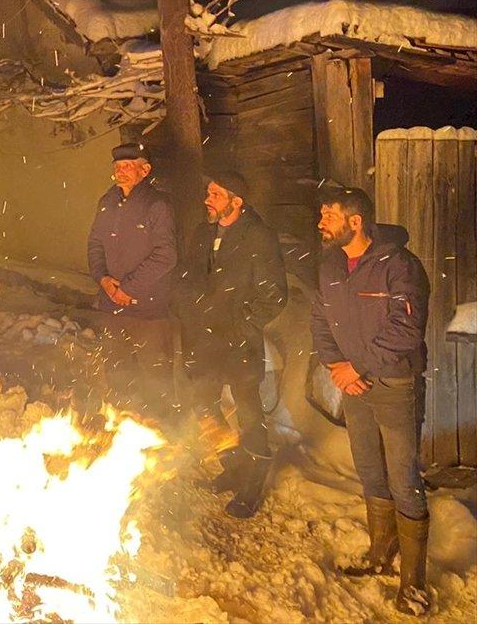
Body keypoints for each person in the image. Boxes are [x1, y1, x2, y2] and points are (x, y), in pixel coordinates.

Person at [310, 187, 431, 616]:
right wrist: (335, 363)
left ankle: (414, 585)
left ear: (355, 221)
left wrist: (355, 366)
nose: (321, 221)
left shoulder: (399, 266)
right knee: (369, 469)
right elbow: (320, 319)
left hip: (394, 382)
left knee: (403, 478)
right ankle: (381, 554)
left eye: (329, 214)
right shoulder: (329, 266)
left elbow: (405, 331)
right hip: (354, 383)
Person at [172, 171, 288, 518]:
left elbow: (275, 294)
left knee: (250, 412)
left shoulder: (258, 237)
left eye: (216, 194)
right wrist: (188, 308)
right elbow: (188, 278)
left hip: (239, 342)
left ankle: (253, 482)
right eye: (208, 192)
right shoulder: (202, 233)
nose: (208, 199)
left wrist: (242, 322)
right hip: (203, 339)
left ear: (236, 201)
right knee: (203, 403)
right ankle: (233, 464)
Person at [86, 142, 178, 417]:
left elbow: (166, 255)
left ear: (145, 170)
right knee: (117, 368)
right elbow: (94, 244)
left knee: (155, 375)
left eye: (127, 166)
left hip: (148, 310)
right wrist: (103, 279)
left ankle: (161, 429)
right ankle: (121, 421)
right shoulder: (107, 203)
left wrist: (128, 288)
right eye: (117, 167)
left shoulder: (157, 205)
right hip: (113, 306)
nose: (121, 172)